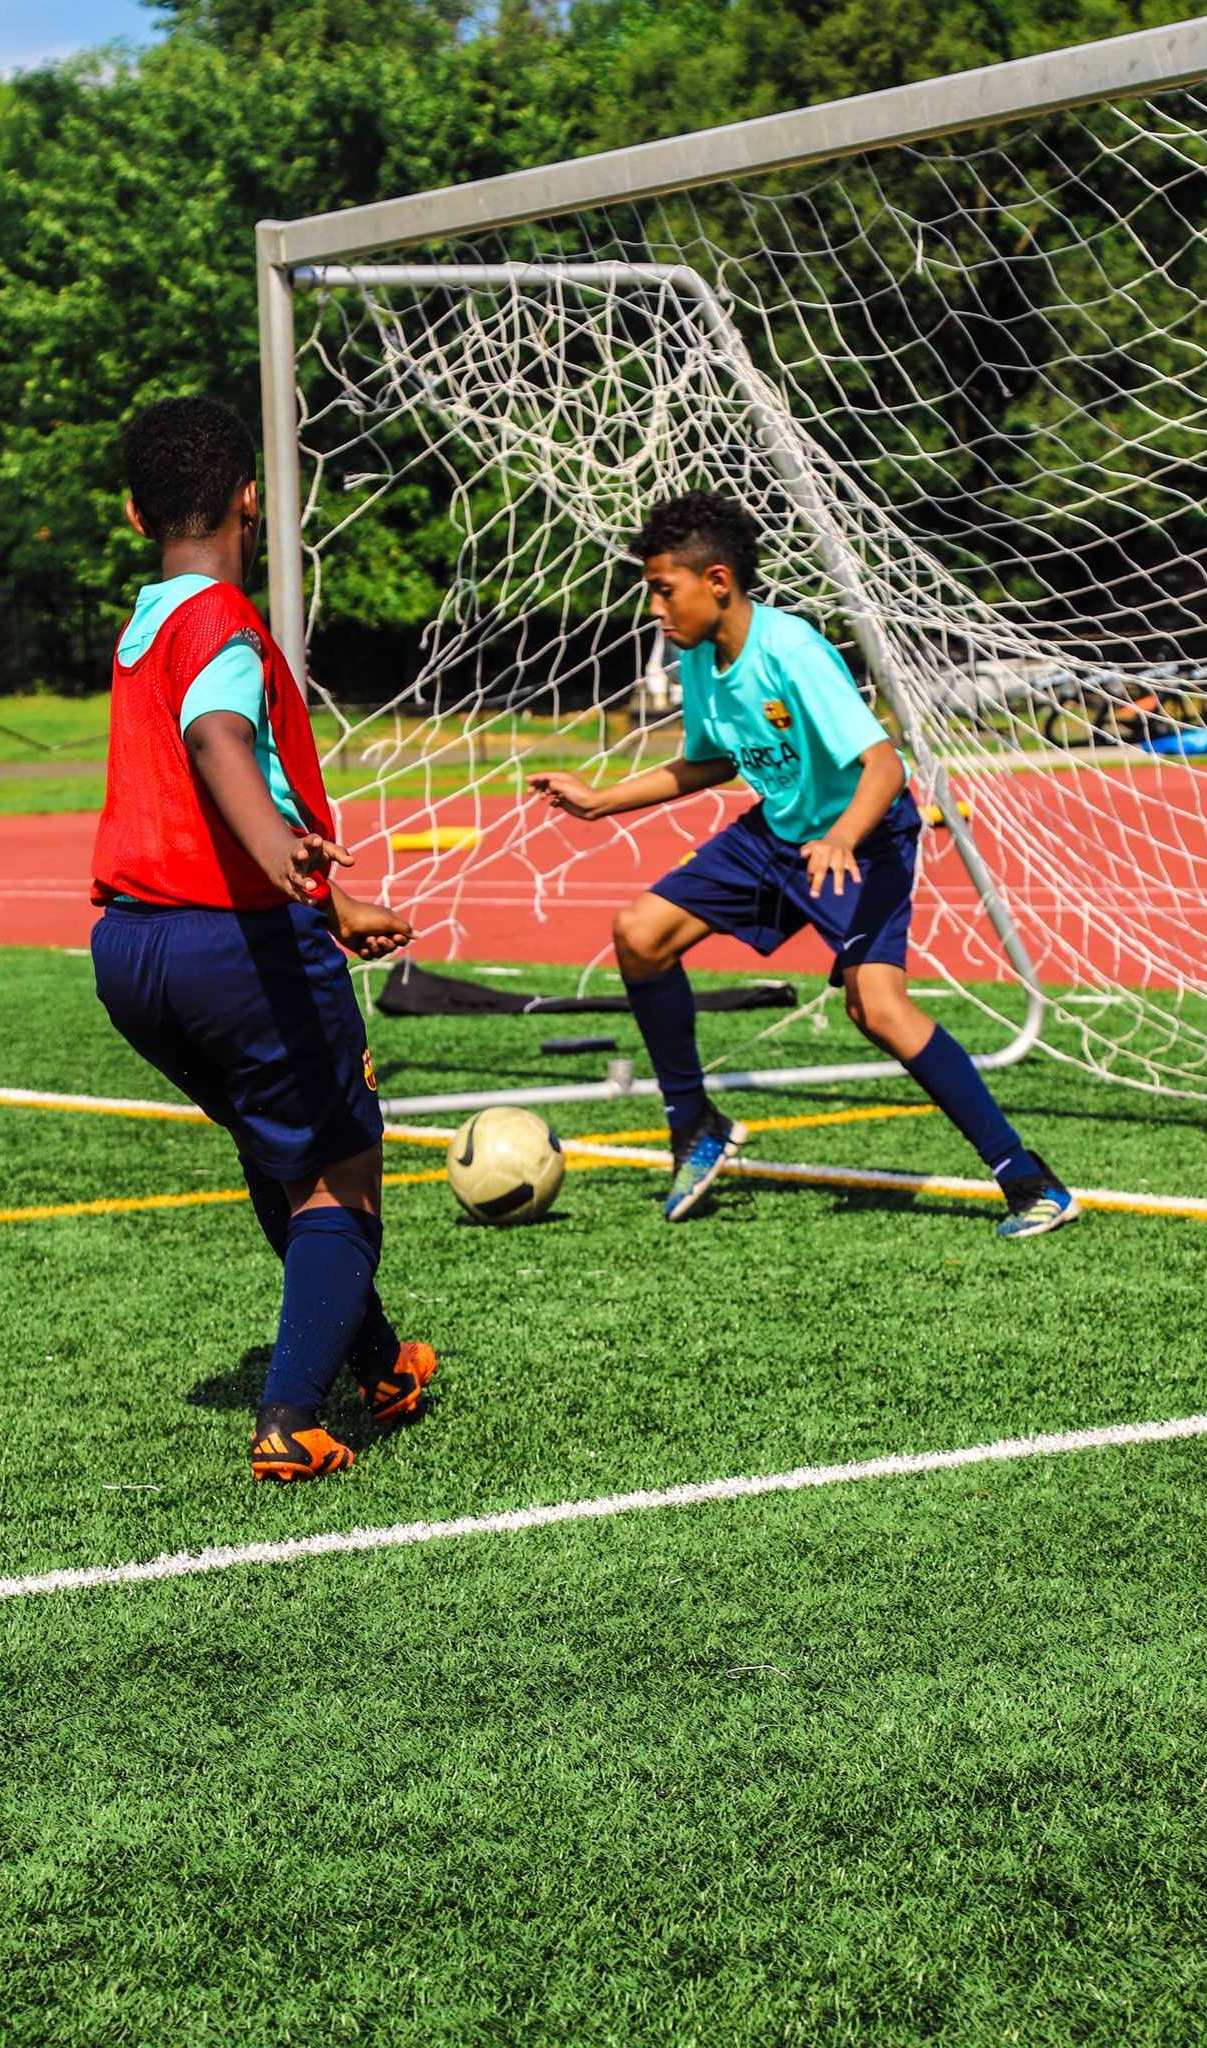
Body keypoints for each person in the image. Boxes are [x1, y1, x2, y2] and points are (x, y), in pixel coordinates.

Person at [531, 489, 1078, 1239]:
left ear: (715, 582)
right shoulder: (700, 659)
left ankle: (1028, 1179)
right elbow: (711, 763)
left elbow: (883, 767)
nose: (656, 609)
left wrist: (842, 839)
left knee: (875, 1009)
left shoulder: (792, 652)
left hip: (864, 839)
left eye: (664, 590)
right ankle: (693, 1123)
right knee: (640, 933)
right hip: (777, 835)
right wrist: (599, 801)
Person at [90, 395, 436, 1481]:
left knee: (280, 1150)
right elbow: (220, 738)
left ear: (137, 510)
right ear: (252, 500)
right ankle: (289, 1416)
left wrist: (329, 900)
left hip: (131, 950)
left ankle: (381, 1362)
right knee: (346, 1178)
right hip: (233, 941)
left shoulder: (144, 624)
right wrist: (291, 860)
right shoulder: (220, 623)